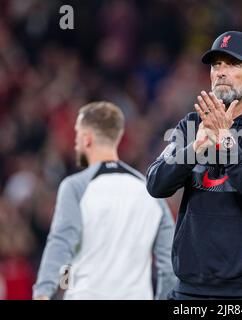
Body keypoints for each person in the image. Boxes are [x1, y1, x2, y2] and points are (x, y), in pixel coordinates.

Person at [146, 31, 242, 299]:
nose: (221, 72)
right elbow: (156, 183)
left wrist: (226, 142)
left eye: (233, 64)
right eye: (216, 65)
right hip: (192, 289)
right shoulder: (193, 125)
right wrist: (195, 147)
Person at [33, 102, 176, 300]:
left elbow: (63, 246)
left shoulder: (76, 187)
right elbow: (168, 262)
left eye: (77, 135)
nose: (75, 144)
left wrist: (47, 291)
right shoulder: (149, 189)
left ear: (87, 138)